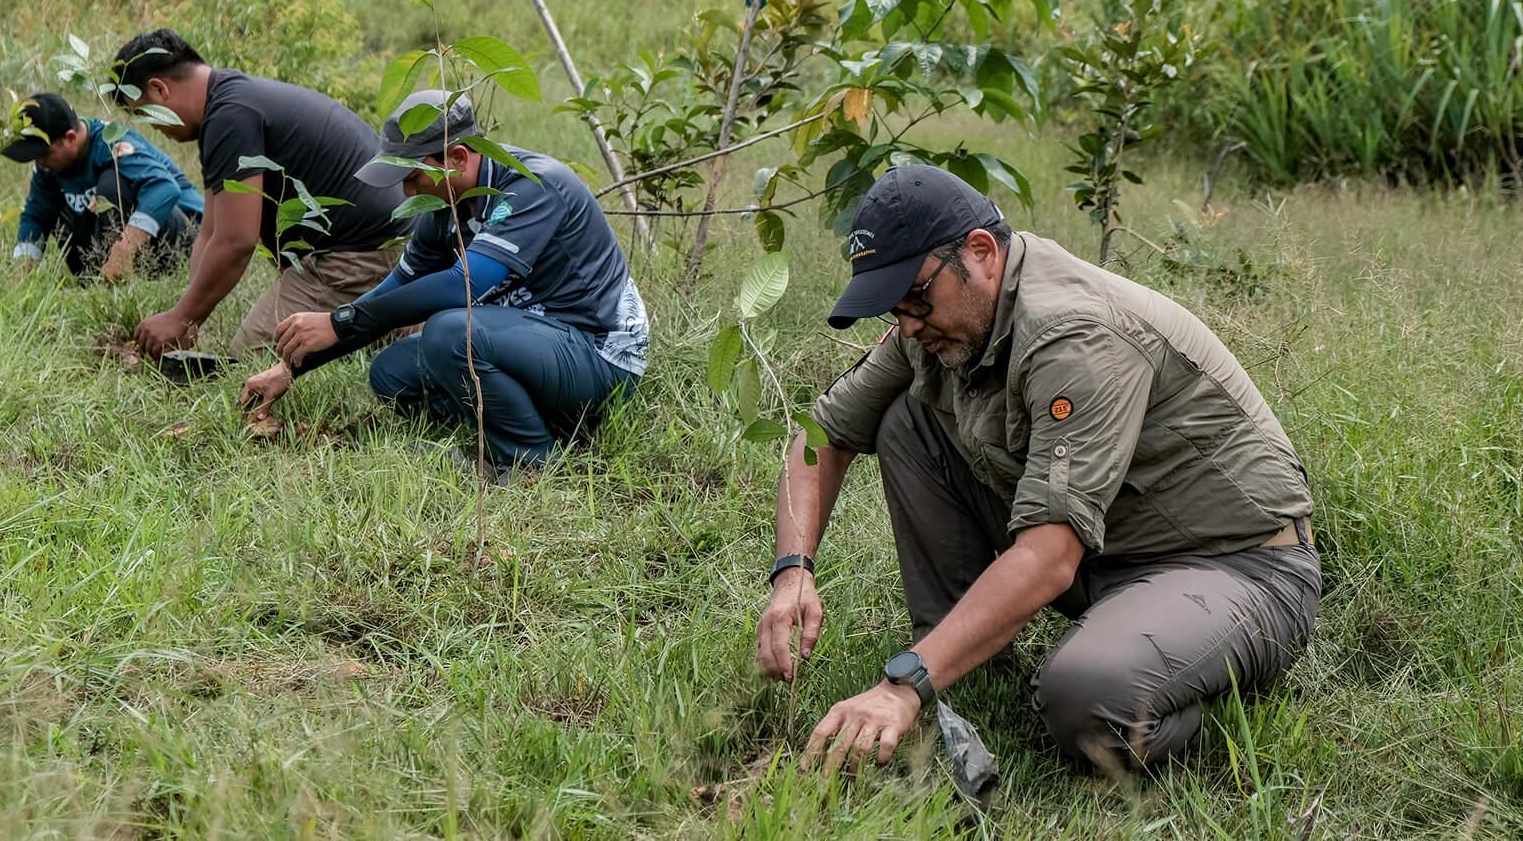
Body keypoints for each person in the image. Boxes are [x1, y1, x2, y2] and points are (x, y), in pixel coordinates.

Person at [761, 164, 1318, 772]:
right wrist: (793, 574)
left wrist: (903, 686)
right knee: (906, 421)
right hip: (1106, 556)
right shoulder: (944, 319)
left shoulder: (1073, 335)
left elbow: (1050, 557)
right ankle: (964, 654)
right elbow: (821, 438)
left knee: (1083, 701)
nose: (909, 324)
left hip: (1234, 565)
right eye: (894, 308)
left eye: (917, 297)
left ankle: (1181, 684)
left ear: (981, 253)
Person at [238, 89, 648, 474]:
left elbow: (462, 286)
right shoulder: (444, 207)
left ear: (457, 157)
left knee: (450, 333)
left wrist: (340, 320)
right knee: (392, 372)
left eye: (413, 176)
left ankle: (529, 460)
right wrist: (295, 366)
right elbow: (395, 289)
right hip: (536, 348)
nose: (405, 190)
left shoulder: (534, 185)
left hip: (600, 356)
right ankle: (526, 421)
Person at [108, 29, 411, 357]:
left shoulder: (230, 117)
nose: (154, 129)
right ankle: (390, 320)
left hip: (357, 254)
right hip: (367, 243)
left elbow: (237, 241)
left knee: (248, 363)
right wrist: (187, 316)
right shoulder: (226, 106)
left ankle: (398, 325)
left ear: (159, 89)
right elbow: (211, 232)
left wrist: (181, 319)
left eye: (144, 113)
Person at [0, 92, 203, 281]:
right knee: (53, 206)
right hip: (117, 251)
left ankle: (119, 276)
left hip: (187, 241)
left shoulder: (113, 143)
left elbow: (165, 188)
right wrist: (19, 275)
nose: (39, 162)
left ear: (70, 138)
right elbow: (36, 216)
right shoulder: (50, 167)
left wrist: (124, 250)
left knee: (112, 184)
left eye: (43, 154)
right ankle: (98, 282)